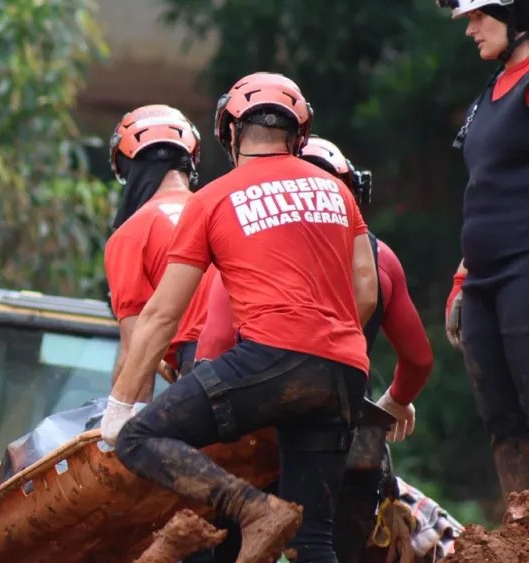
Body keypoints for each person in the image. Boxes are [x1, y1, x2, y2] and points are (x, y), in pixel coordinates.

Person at [100, 72, 379, 563]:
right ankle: (265, 513)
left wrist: (120, 409)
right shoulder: (339, 195)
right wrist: (324, 343)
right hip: (344, 370)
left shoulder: (212, 198)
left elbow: (163, 314)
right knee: (314, 538)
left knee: (140, 439)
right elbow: (366, 290)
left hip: (269, 356)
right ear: (300, 135)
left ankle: (251, 508)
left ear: (230, 132)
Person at [199, 135, 434, 562]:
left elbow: (212, 349)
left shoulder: (247, 252)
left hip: (262, 439)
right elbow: (418, 359)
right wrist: (397, 402)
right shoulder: (381, 260)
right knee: (326, 548)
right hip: (345, 434)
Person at [437, 0, 529, 497]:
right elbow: (483, 191)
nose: (470, 29)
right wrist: (461, 278)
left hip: (524, 264)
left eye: (479, 16)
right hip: (483, 276)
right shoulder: (487, 95)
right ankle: (522, 524)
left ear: (517, 15)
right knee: (501, 415)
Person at [104, 104, 218, 399]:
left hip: (203, 369)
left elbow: (135, 358)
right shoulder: (219, 210)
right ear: (190, 162)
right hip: (265, 362)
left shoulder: (132, 234)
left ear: (126, 168)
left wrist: (117, 425)